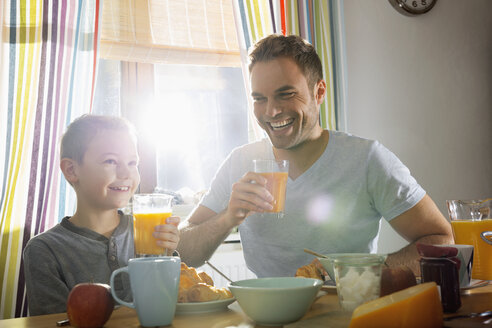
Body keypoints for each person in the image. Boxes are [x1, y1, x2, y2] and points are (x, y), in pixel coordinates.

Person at [177, 34, 453, 278]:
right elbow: (186, 253)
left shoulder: (367, 159)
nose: (271, 112)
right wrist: (228, 217)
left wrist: (362, 274)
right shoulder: (239, 162)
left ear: (318, 92)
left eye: (285, 94)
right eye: (259, 99)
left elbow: (441, 239)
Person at [23, 115, 180, 315]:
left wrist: (168, 257)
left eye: (133, 163)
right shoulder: (44, 250)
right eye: (110, 161)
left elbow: (169, 308)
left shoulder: (152, 234)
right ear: (71, 170)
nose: (126, 173)